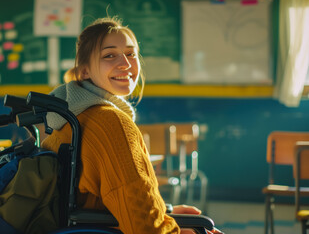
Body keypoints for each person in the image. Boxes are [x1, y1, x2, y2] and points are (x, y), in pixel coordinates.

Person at [42, 17, 219, 234]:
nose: (126, 64)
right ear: (85, 71)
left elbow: (107, 201)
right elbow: (144, 227)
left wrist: (165, 211)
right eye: (109, 55)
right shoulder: (110, 122)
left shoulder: (67, 116)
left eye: (131, 54)